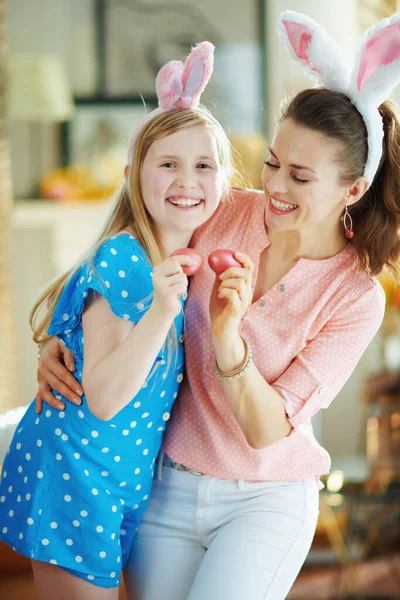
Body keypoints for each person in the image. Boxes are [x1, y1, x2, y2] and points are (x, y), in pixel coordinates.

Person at [33, 11, 400, 600]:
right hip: (166, 487)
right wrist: (66, 332)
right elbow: (131, 242)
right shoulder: (224, 210)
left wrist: (230, 342)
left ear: (352, 190)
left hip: (265, 497)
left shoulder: (355, 298)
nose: (275, 187)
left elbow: (264, 430)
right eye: (273, 163)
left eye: (300, 177)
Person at [0, 42, 238, 600]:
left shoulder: (180, 255)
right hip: (77, 473)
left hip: (118, 480)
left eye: (203, 165)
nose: (187, 181)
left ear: (225, 179)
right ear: (135, 174)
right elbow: (104, 397)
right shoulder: (126, 259)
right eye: (168, 164)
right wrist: (162, 311)